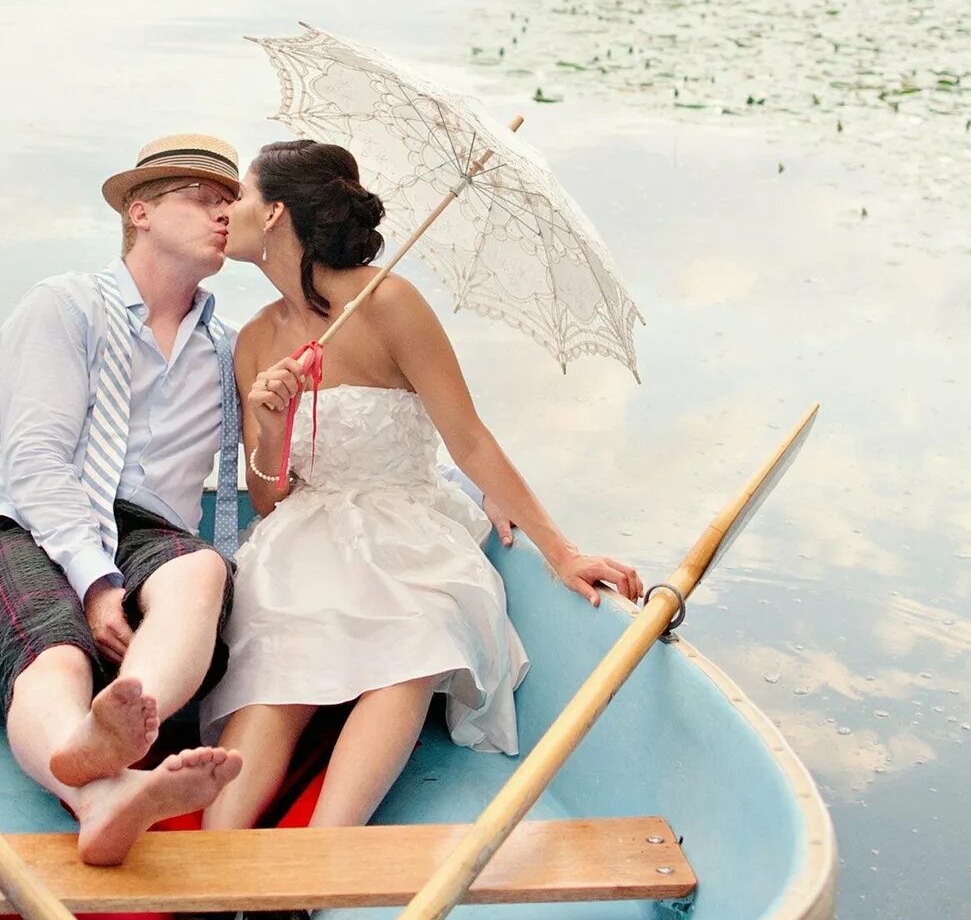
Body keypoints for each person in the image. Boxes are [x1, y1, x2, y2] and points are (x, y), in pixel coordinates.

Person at [199, 138, 643, 834]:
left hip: (407, 522)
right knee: (280, 649)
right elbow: (266, 498)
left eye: (242, 195)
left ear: (277, 214)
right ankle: (214, 857)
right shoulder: (254, 339)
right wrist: (272, 421)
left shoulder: (390, 303)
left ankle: (321, 855)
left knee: (413, 640)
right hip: (304, 531)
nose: (228, 210)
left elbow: (467, 438)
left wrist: (561, 551)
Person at [0, 133, 247, 866]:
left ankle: (126, 722)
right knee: (56, 654)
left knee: (204, 568)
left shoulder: (231, 349)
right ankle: (95, 788)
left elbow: (313, 456)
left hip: (148, 534)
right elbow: (37, 460)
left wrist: (483, 494)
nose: (222, 216)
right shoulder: (65, 307)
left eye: (230, 204)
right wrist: (96, 580)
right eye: (200, 199)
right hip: (28, 523)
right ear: (139, 211)